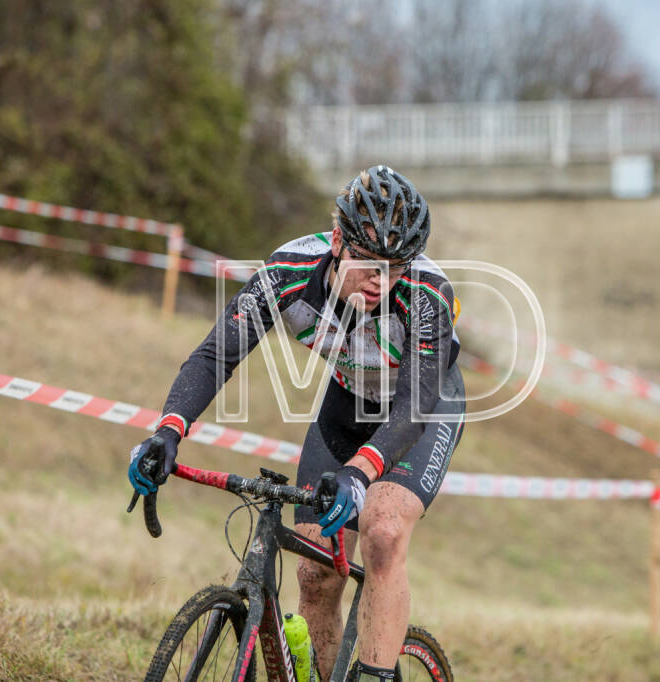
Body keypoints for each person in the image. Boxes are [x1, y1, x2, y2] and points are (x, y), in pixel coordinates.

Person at [128, 165, 465, 682]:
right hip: (347, 404)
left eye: (395, 268)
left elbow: (415, 406)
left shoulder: (426, 293)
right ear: (337, 242)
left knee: (383, 531)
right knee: (314, 573)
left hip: (421, 411)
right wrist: (168, 430)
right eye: (369, 263)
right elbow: (217, 354)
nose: (381, 280)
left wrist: (360, 474)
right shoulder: (288, 271)